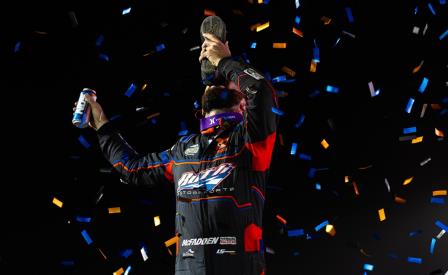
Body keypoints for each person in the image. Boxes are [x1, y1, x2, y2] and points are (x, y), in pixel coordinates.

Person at [81, 32, 278, 275]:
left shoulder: (251, 140)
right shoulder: (182, 151)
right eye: (211, 82)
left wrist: (225, 62)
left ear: (243, 105)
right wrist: (101, 124)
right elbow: (131, 167)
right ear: (201, 104)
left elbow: (262, 91)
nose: (217, 80)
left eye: (226, 80)